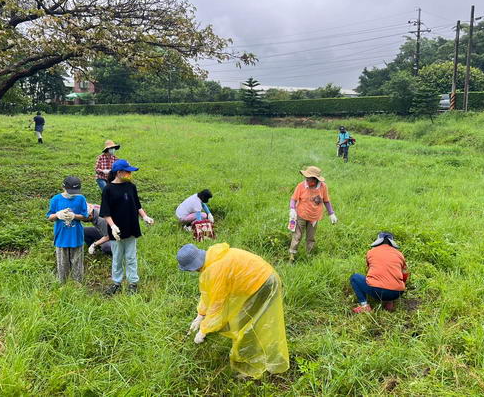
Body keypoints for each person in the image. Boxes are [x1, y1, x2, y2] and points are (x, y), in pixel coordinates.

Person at [178, 242, 289, 378]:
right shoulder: (212, 256)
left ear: (192, 267)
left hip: (263, 284)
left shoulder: (215, 270)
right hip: (260, 280)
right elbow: (208, 294)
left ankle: (252, 365)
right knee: (243, 321)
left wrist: (203, 330)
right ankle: (253, 355)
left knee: (245, 326)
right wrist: (200, 315)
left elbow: (216, 305)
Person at [100, 159, 154, 295]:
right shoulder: (108, 189)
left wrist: (145, 216)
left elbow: (137, 205)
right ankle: (116, 282)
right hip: (116, 231)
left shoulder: (131, 186)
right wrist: (112, 226)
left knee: (131, 257)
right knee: (117, 257)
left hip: (131, 227)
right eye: (128, 172)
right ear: (119, 172)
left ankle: (132, 283)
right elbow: (105, 212)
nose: (130, 174)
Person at [350, 232, 409, 313]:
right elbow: (405, 275)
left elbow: (369, 272)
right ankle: (389, 302)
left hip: (378, 291)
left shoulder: (371, 252)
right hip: (397, 292)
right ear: (392, 242)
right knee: (391, 279)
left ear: (378, 241)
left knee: (355, 277)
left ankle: (364, 306)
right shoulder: (399, 254)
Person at [288, 166, 337, 261]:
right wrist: (292, 209)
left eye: (309, 178)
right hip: (301, 215)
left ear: (315, 179)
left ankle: (308, 255)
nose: (306, 180)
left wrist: (331, 213)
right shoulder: (301, 186)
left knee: (310, 238)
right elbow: (293, 199)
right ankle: (292, 256)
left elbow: (326, 201)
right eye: (306, 177)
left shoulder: (323, 187)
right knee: (297, 236)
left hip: (314, 217)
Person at [46, 176, 88, 283]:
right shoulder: (56, 199)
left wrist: (74, 216)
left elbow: (85, 216)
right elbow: (49, 217)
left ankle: (78, 285)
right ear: (63, 187)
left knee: (77, 263)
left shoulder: (81, 198)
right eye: (70, 191)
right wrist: (57, 215)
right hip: (61, 237)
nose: (72, 193)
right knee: (62, 264)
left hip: (76, 236)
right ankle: (63, 285)